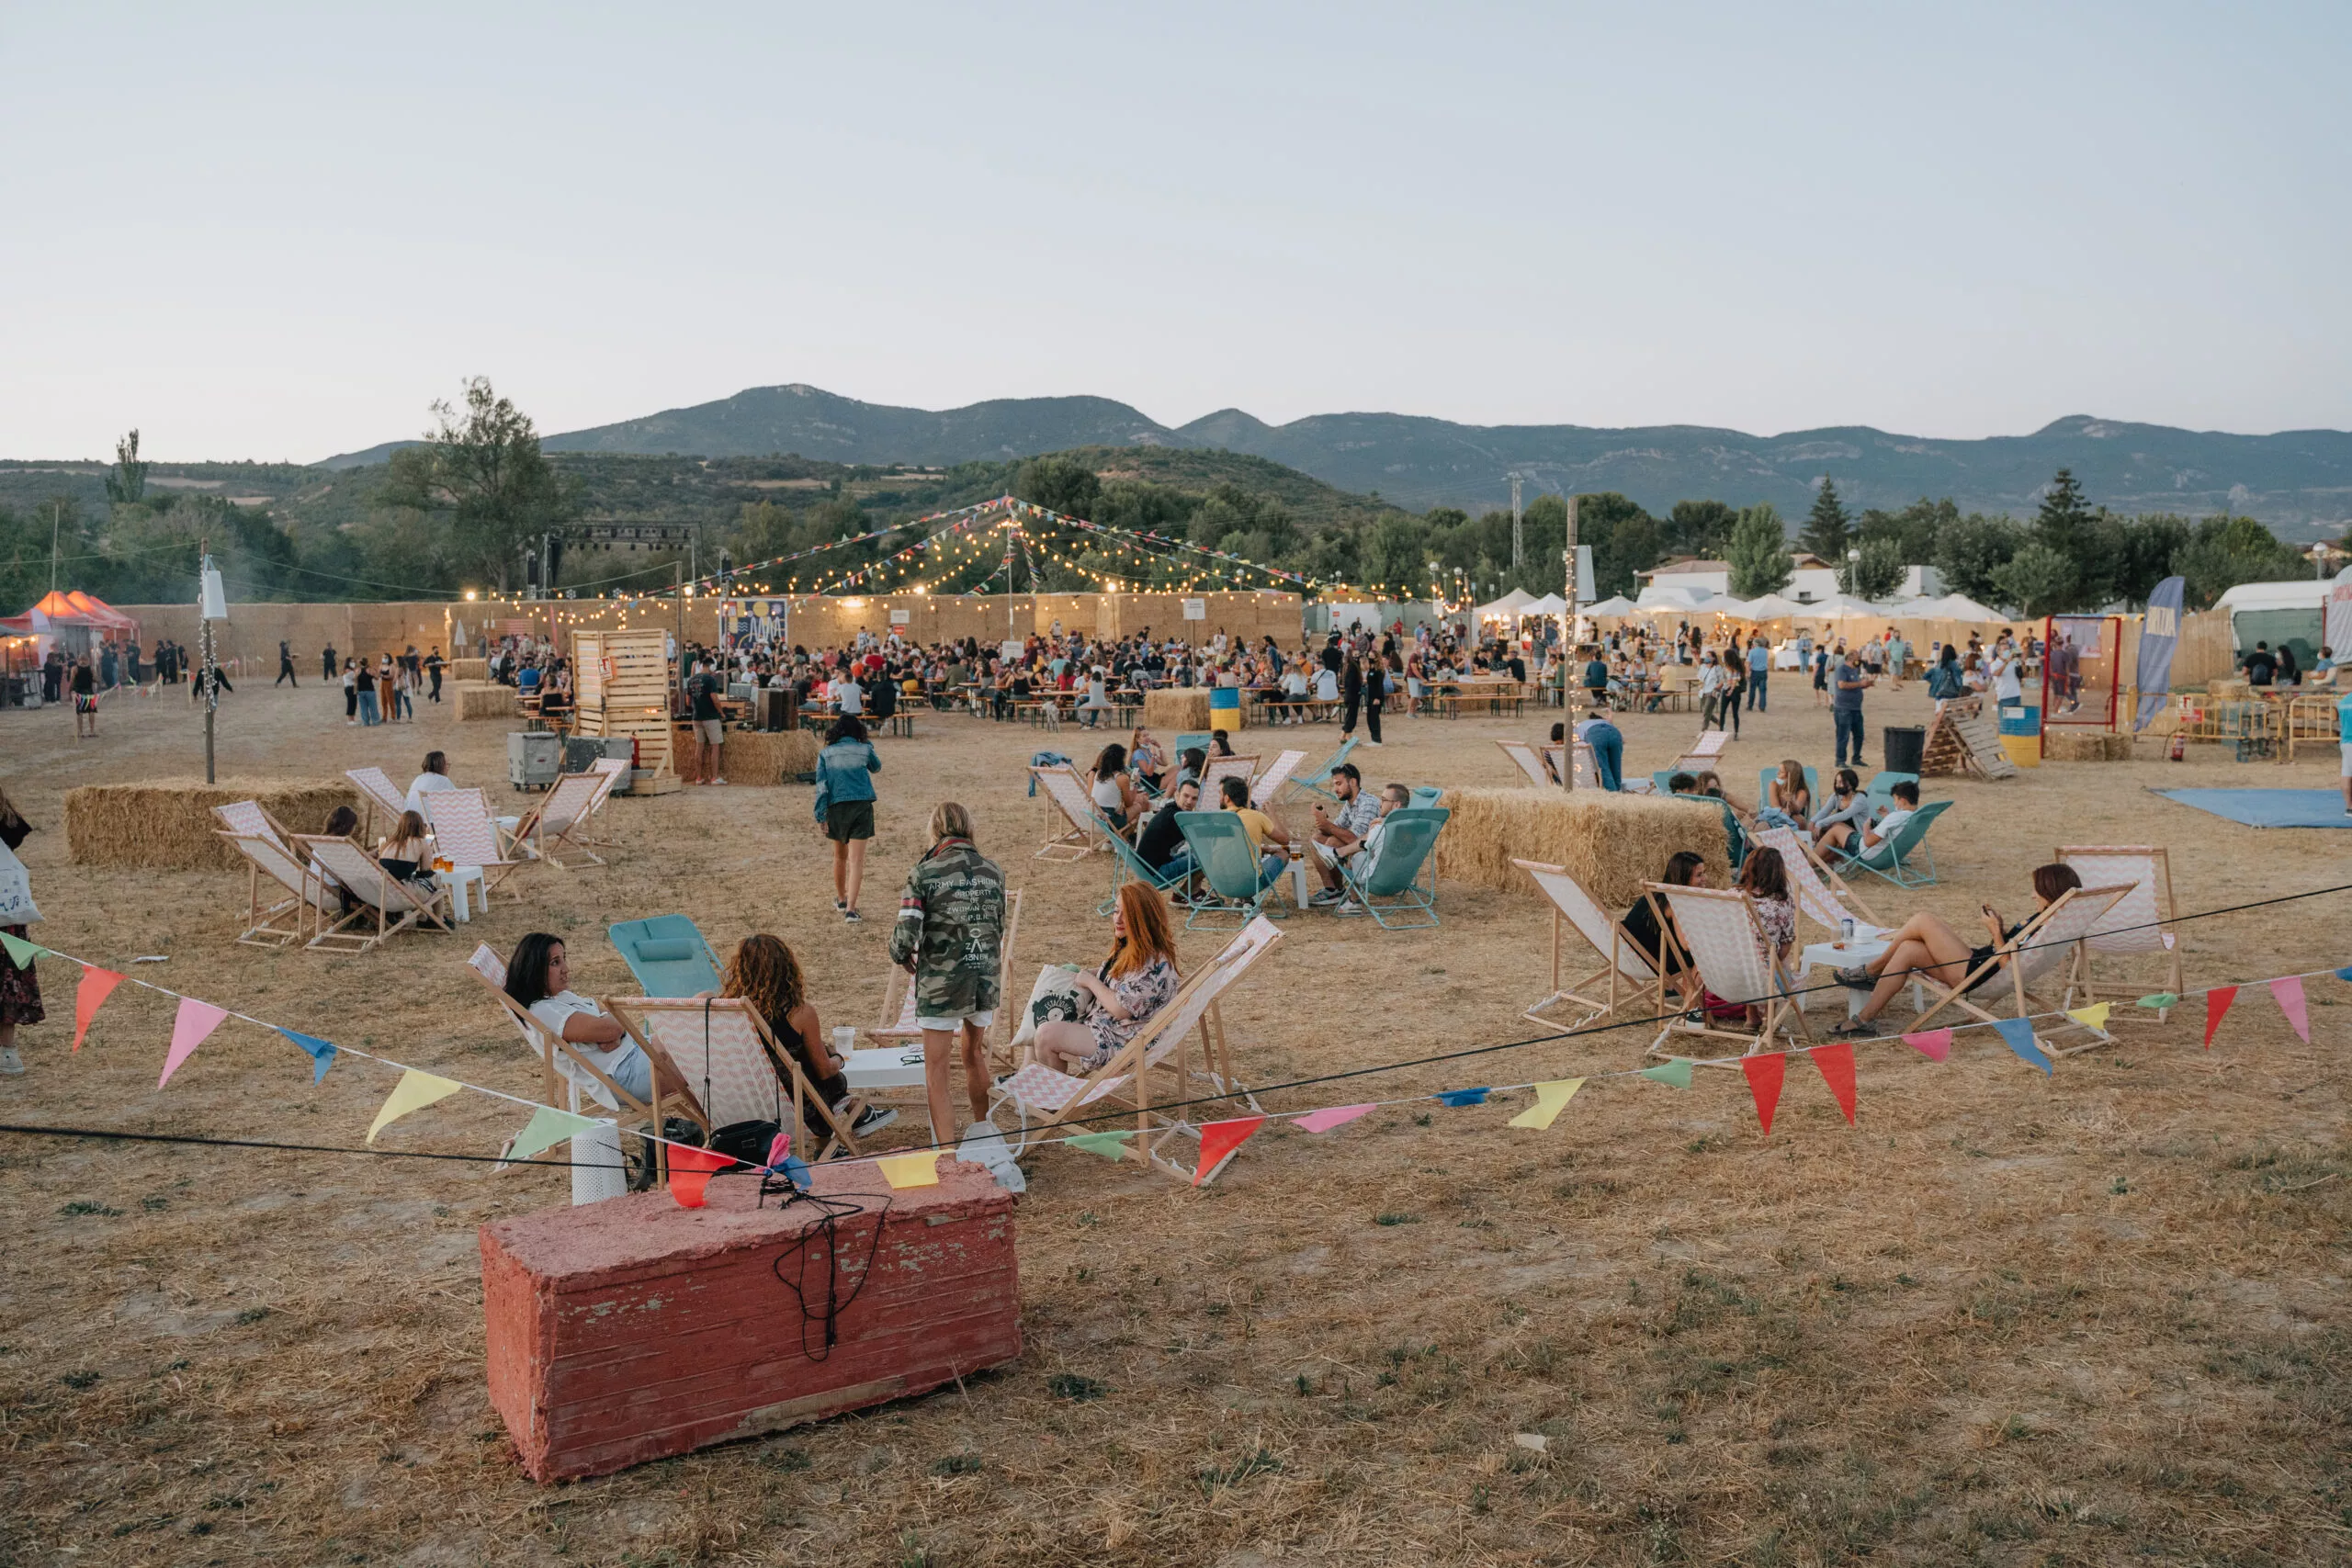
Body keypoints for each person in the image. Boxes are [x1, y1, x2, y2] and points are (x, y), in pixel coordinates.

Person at [1832, 863, 2086, 1037]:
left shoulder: (2045, 922)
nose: (2032, 895)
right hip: (1979, 964)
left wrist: (1996, 931)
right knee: (1908, 948)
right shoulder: (2050, 919)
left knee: (1923, 920)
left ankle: (1872, 970)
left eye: (2037, 890)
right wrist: (2000, 927)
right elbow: (2015, 950)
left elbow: (2011, 966)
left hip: (1978, 974)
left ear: (2050, 891)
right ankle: (1864, 1019)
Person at [888, 802, 1007, 1143]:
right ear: (969, 828)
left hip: (942, 980)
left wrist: (898, 953)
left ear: (935, 831)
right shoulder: (994, 871)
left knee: (936, 1070)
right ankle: (985, 1136)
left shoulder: (924, 873)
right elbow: (998, 926)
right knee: (973, 1054)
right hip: (983, 973)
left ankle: (947, 1153)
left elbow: (906, 930)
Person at [716, 934, 895, 1143]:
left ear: (738, 969)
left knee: (795, 1058)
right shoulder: (799, 1013)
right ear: (786, 969)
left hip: (739, 1103)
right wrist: (837, 1057)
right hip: (798, 1110)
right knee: (813, 1061)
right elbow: (825, 1071)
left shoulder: (725, 1011)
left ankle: (854, 1117)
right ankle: (856, 1111)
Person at [505, 931, 695, 1112]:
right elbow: (613, 1025)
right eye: (556, 963)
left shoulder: (560, 997)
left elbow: (606, 1013)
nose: (566, 969)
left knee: (703, 1010)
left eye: (564, 959)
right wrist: (615, 1030)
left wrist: (613, 1029)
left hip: (640, 1055)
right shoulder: (543, 1011)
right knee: (703, 1024)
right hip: (629, 1074)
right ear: (534, 969)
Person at [1027, 881, 1183, 1075]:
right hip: (1103, 1026)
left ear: (1144, 919)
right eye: (1116, 911)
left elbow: (1121, 1009)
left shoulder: (1154, 962)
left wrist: (1090, 982)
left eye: (1127, 915)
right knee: (1038, 1017)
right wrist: (1085, 973)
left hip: (1121, 1040)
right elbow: (1120, 978)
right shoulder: (1132, 947)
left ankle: (1052, 1099)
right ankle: (1026, 1079)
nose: (1118, 919)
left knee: (1046, 1035)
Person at [812, 715, 881, 920]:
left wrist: (820, 814)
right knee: (856, 860)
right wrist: (867, 743)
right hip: (861, 805)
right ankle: (851, 909)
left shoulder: (826, 753)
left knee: (839, 856)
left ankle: (841, 899)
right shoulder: (864, 749)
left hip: (836, 806)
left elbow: (821, 786)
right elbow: (876, 767)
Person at [1618, 849, 1704, 1005]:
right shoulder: (1676, 901)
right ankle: (1691, 1008)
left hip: (1628, 955)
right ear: (1683, 877)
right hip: (1651, 961)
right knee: (1701, 957)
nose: (1705, 879)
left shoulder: (1655, 891)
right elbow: (1685, 944)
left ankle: (1672, 991)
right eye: (1699, 875)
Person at [0, 786, 43, 1077]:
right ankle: (8, 1052)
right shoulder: (6, 818)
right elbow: (17, 832)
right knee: (8, 983)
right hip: (7, 916)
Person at [1306, 762, 1377, 906]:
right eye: (1334, 785)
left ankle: (1339, 889)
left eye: (1339, 784)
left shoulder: (1367, 803)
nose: (1335, 789)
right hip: (1355, 848)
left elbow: (1357, 839)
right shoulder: (1350, 804)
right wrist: (1321, 819)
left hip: (1371, 851)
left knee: (1333, 842)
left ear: (1353, 782)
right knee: (1316, 839)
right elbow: (1336, 828)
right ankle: (1333, 890)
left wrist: (1328, 826)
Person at [1216, 774, 1293, 896]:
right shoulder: (1256, 816)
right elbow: (1285, 840)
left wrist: (1262, 849)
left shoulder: (1215, 819)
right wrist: (1272, 813)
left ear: (1227, 798)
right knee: (1283, 853)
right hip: (1250, 885)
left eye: (1220, 794)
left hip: (1220, 883)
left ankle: (1242, 899)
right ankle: (1245, 898)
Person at [1819, 779, 1918, 857]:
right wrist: (1886, 816)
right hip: (1890, 854)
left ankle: (1809, 864)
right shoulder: (1916, 816)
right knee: (1841, 826)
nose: (1894, 803)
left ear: (1903, 800)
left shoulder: (1895, 817)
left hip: (1868, 853)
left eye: (1895, 799)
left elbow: (1868, 842)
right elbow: (1894, 829)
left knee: (1835, 829)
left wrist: (1866, 827)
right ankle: (1823, 862)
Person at [1135, 777, 1202, 891]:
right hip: (1156, 874)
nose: (1190, 801)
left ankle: (1191, 893)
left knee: (1198, 853)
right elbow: (1201, 836)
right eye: (1186, 796)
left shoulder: (1169, 811)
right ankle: (1185, 894)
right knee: (1205, 857)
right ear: (1177, 795)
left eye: (1194, 798)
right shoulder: (1176, 817)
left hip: (1147, 870)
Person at [1736, 845, 1796, 972]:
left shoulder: (1731, 895)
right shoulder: (1781, 901)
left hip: (1731, 967)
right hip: (1763, 974)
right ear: (1778, 872)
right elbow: (1786, 943)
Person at [683, 659, 726, 784]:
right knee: (715, 746)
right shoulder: (710, 679)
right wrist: (721, 713)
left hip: (696, 717)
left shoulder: (691, 680)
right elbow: (715, 698)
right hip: (711, 717)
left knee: (699, 747)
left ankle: (699, 778)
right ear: (710, 666)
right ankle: (715, 777)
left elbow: (687, 702)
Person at [1088, 743, 1147, 834]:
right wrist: (1135, 783)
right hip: (1109, 821)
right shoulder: (1122, 778)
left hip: (1094, 817)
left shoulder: (1098, 773)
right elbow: (1129, 803)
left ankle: (1111, 841)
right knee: (1138, 806)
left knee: (1131, 807)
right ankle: (1120, 840)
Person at [1832, 646, 1871, 768]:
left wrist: (1865, 685)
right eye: (1857, 658)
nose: (1858, 661)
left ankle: (1856, 758)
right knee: (1843, 735)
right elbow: (1842, 685)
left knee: (1859, 735)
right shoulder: (1842, 669)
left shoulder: (1855, 670)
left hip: (1856, 708)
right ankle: (1840, 760)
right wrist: (1860, 683)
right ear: (1850, 658)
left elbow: (1855, 685)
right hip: (1844, 708)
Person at [1577, 704, 1624, 791]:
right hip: (1615, 734)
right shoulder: (1606, 723)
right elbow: (1623, 740)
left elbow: (1578, 743)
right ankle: (1618, 790)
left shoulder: (1582, 725)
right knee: (1616, 766)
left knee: (1603, 767)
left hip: (1595, 735)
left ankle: (1612, 794)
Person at [405, 751, 457, 818]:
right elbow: (457, 801)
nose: (449, 768)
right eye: (447, 764)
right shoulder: (443, 780)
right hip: (429, 825)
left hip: (411, 821)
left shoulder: (418, 778)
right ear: (439, 765)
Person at [1763, 758, 1812, 828]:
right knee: (1763, 824)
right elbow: (1774, 805)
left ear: (1791, 776)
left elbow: (1798, 809)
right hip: (1777, 813)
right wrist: (1782, 810)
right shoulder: (1774, 784)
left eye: (1781, 772)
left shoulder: (1801, 792)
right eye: (1778, 770)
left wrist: (1791, 801)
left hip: (1794, 816)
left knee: (1800, 820)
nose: (1778, 773)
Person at [71, 655, 97, 739]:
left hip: (79, 692)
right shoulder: (92, 668)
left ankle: (80, 732)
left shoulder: (75, 669)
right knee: (91, 711)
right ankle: (92, 731)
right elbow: (96, 679)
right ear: (87, 660)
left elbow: (72, 680)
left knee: (79, 712)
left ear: (79, 660)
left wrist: (71, 690)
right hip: (89, 692)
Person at [1747, 635, 1770, 712]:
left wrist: (1748, 672)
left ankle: (1750, 706)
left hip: (1755, 672)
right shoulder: (1765, 651)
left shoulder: (1752, 651)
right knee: (1762, 690)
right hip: (1763, 672)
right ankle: (1762, 706)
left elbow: (1749, 663)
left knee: (1752, 690)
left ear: (1755, 644)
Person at [342, 658, 358, 725]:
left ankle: (352, 720)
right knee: (351, 703)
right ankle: (350, 720)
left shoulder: (350, 670)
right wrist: (357, 672)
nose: (353, 663)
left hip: (351, 688)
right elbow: (355, 678)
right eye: (351, 662)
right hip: (350, 688)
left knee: (353, 703)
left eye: (354, 662)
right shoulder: (348, 670)